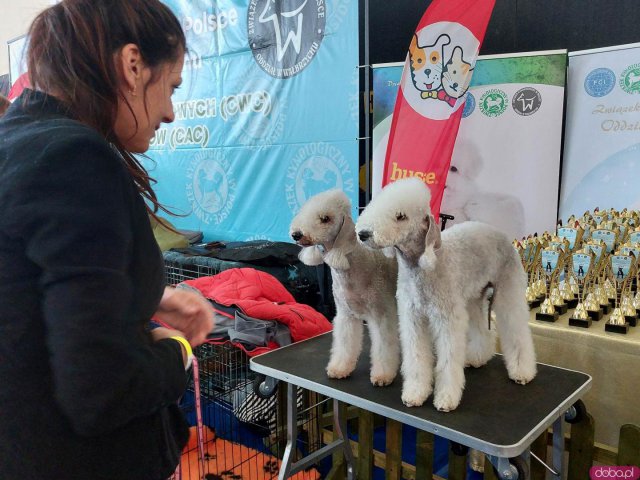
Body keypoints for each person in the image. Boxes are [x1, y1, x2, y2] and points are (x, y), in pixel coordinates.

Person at [0, 1, 214, 479]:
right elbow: (102, 389)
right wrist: (176, 349)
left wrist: (143, 299)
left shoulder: (16, 145)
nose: (171, 112)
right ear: (133, 64)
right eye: (171, 87)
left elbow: (25, 294)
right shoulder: (74, 158)